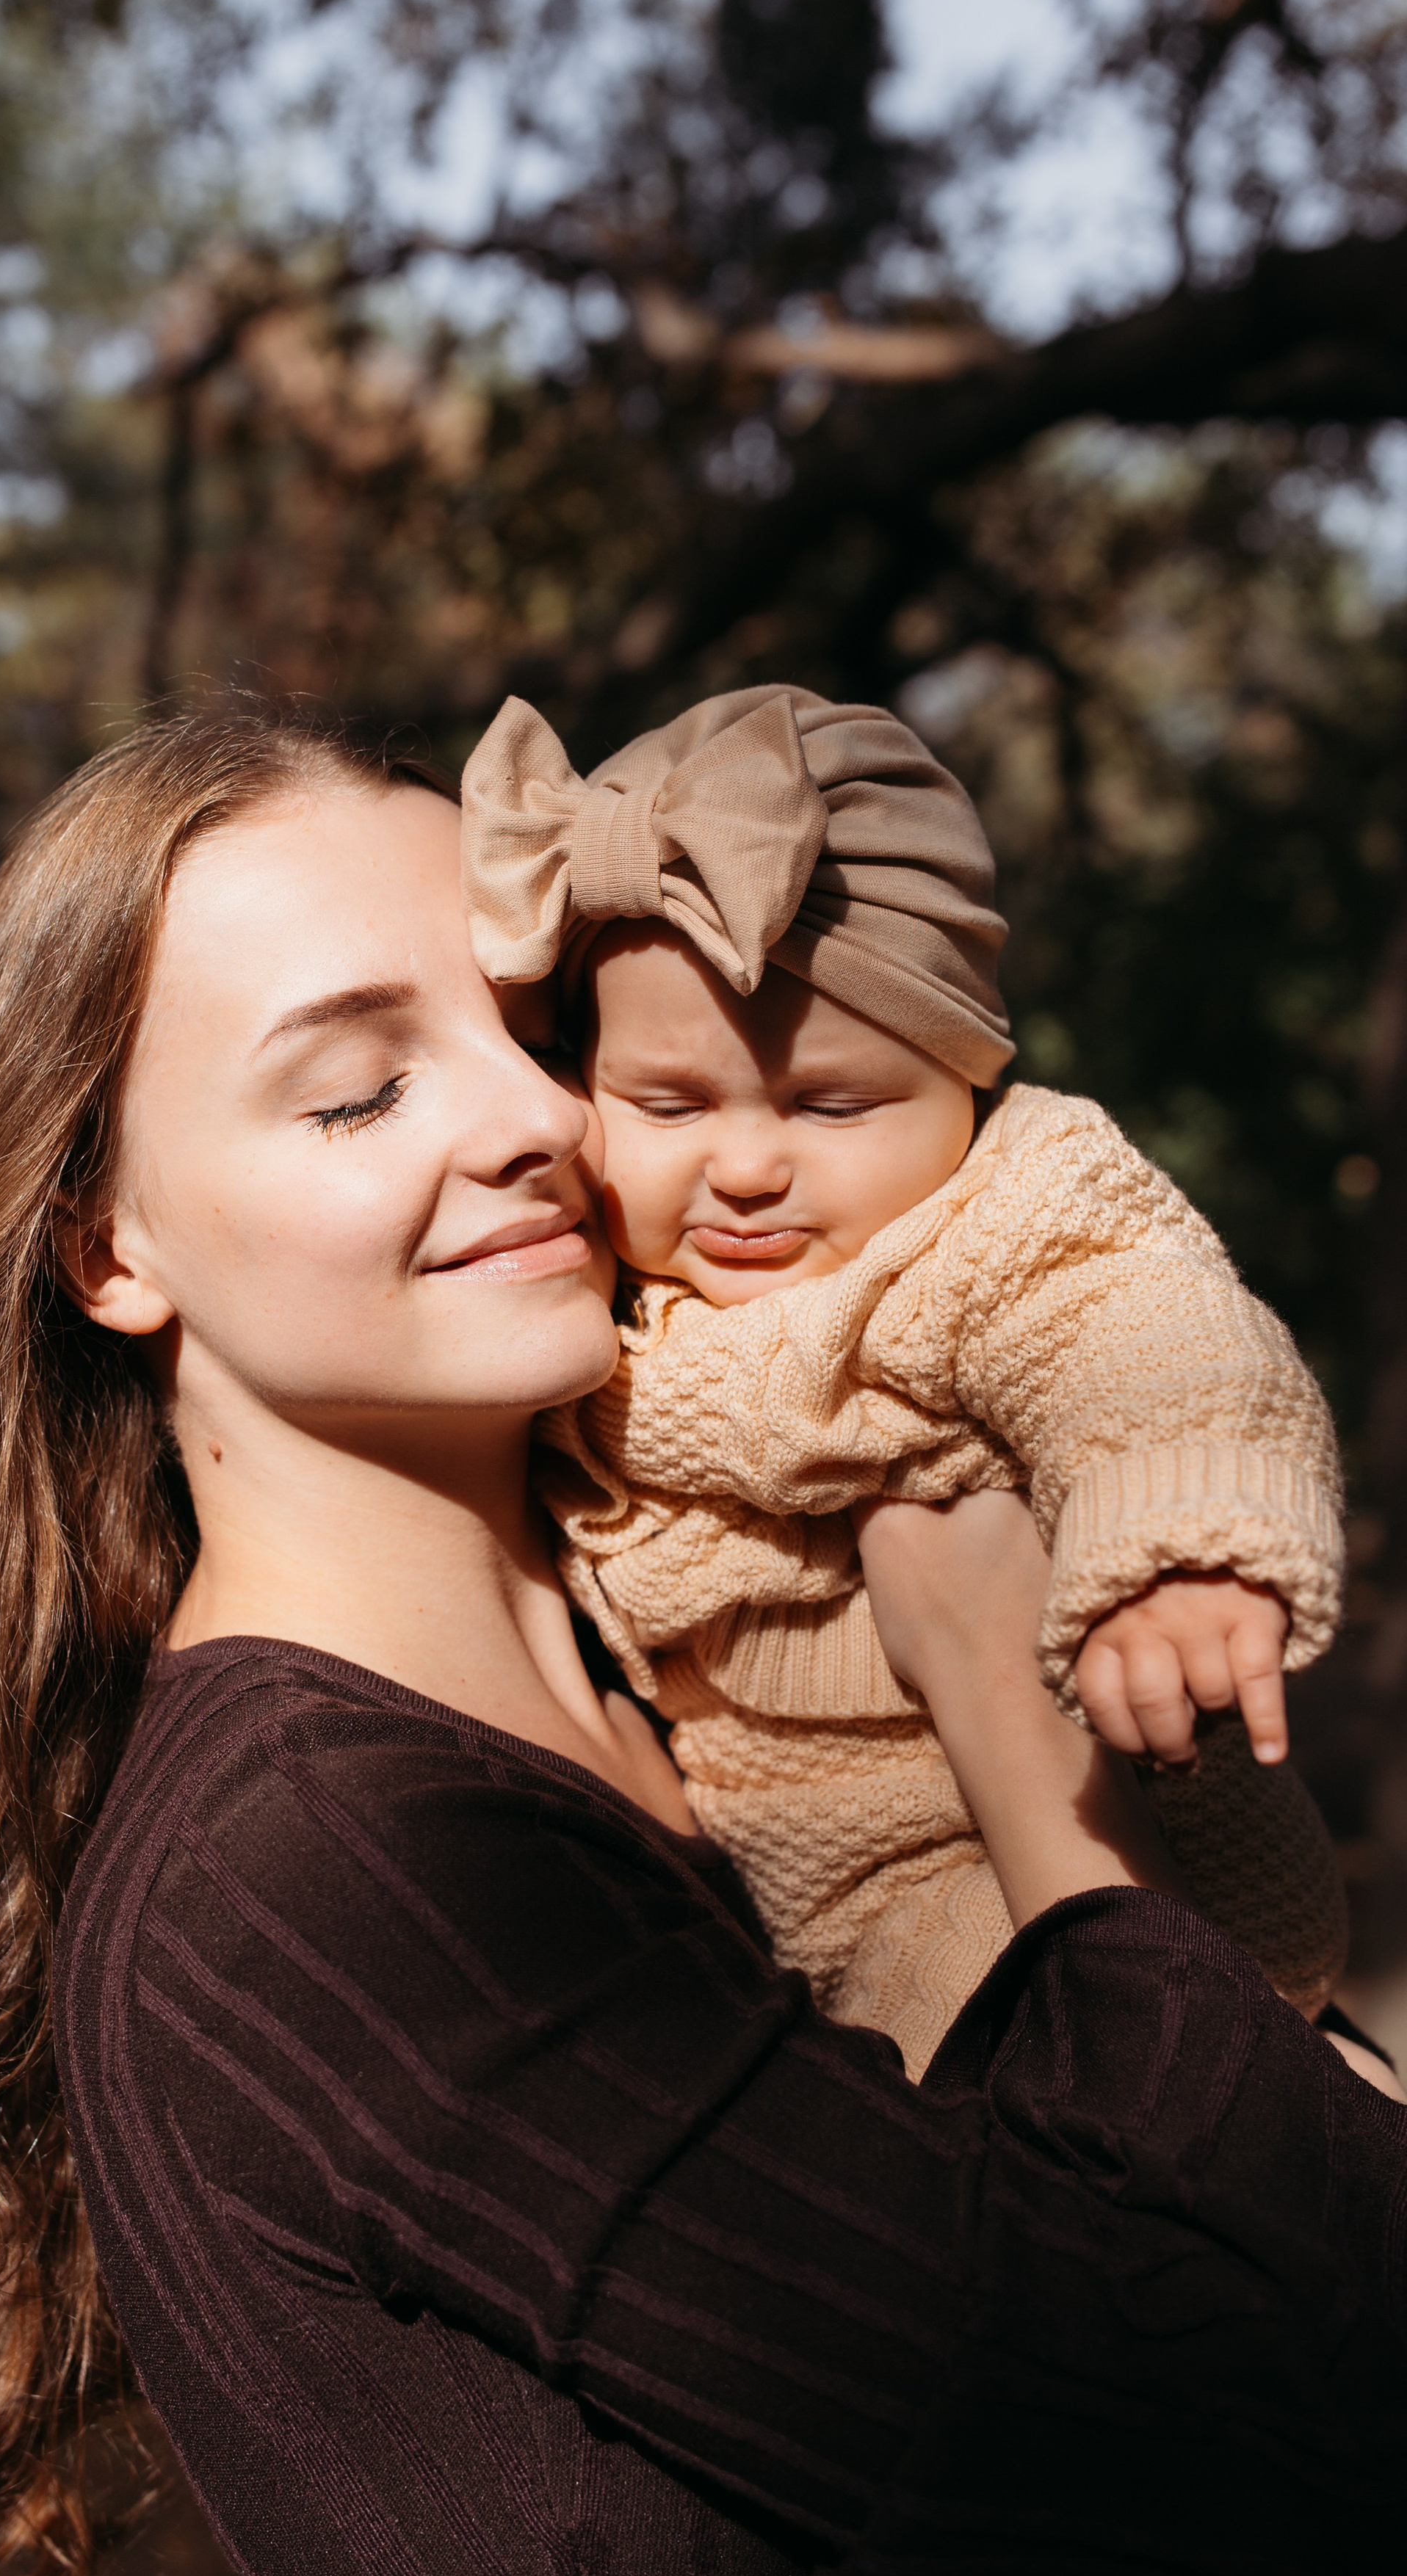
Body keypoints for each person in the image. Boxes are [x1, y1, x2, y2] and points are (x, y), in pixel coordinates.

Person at [0, 703, 1407, 2576]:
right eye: (360, 1088)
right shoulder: (320, 1875)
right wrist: (1029, 1755)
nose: (539, 1126)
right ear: (107, 1247)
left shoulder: (648, 1640)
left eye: (538, 1033)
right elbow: (1295, 2496)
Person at [459, 687, 1348, 2082]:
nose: (745, 1167)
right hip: (838, 1869)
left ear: (967, 1081)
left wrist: (1169, 1555)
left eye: (830, 1104)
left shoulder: (994, 1214)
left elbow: (1146, 1332)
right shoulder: (576, 1292)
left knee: (1093, 2066)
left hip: (1108, 1771)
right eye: (669, 1106)